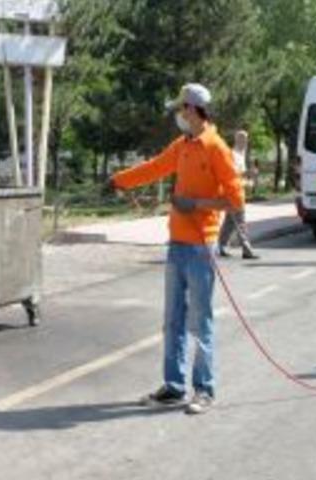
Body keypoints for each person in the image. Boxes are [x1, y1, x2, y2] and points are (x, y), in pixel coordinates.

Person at [106, 83, 244, 414]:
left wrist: (195, 203)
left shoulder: (216, 148)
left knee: (200, 321)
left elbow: (236, 200)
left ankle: (204, 389)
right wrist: (118, 180)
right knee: (173, 320)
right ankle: (173, 386)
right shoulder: (183, 145)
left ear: (193, 110)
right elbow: (154, 167)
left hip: (201, 248)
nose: (178, 115)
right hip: (177, 244)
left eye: (181, 109)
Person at [218, 130, 259, 260]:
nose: (245, 142)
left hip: (235, 192)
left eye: (246, 139)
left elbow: (238, 175)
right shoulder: (234, 155)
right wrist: (249, 174)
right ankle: (247, 250)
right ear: (237, 140)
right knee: (240, 222)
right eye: (243, 139)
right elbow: (233, 175)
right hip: (234, 194)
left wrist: (247, 180)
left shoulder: (239, 155)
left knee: (230, 222)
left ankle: (221, 246)